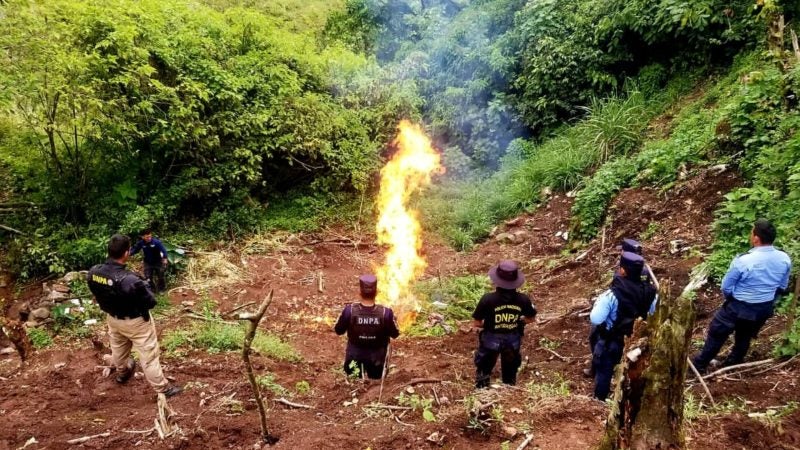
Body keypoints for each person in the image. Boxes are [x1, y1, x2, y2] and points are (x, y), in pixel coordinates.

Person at [691, 219, 792, 373]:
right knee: (744, 336)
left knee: (717, 333)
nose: (750, 235)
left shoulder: (744, 261)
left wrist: (732, 300)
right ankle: (733, 362)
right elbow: (782, 286)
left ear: (756, 238)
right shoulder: (784, 258)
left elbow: (726, 287)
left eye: (752, 232)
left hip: (739, 306)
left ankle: (699, 364)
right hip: (763, 308)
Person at [88, 234, 182, 397]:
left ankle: (122, 373)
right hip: (136, 322)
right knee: (149, 357)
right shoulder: (130, 280)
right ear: (126, 253)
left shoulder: (94, 272)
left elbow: (96, 293)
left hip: (113, 319)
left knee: (118, 351)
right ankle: (163, 389)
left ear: (109, 251)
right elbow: (151, 302)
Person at [589, 252, 658, 400]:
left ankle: (599, 401)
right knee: (631, 373)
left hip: (612, 341)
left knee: (604, 373)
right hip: (636, 344)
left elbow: (596, 319)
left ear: (623, 271)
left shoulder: (613, 294)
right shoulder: (651, 293)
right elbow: (653, 312)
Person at [472, 260, 537, 388]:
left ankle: (482, 390)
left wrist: (491, 323)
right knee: (510, 371)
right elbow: (531, 318)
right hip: (512, 340)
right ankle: (509, 391)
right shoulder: (523, 299)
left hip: (490, 339)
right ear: (516, 281)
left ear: (496, 280)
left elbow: (476, 322)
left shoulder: (487, 299)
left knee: (484, 368)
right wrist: (519, 321)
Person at [334, 275, 400, 379]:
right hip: (378, 361)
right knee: (374, 389)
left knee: (354, 387)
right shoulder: (386, 313)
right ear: (376, 292)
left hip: (353, 359)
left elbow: (338, 330)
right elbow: (395, 334)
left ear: (360, 292)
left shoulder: (349, 311)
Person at [129, 228, 169, 293]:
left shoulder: (156, 242)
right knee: (148, 277)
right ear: (143, 237)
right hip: (148, 262)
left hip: (158, 262)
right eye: (147, 237)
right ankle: (152, 289)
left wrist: (165, 258)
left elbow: (163, 250)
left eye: (150, 236)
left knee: (160, 275)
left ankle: (161, 289)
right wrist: (129, 254)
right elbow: (135, 250)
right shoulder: (141, 243)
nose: (149, 238)